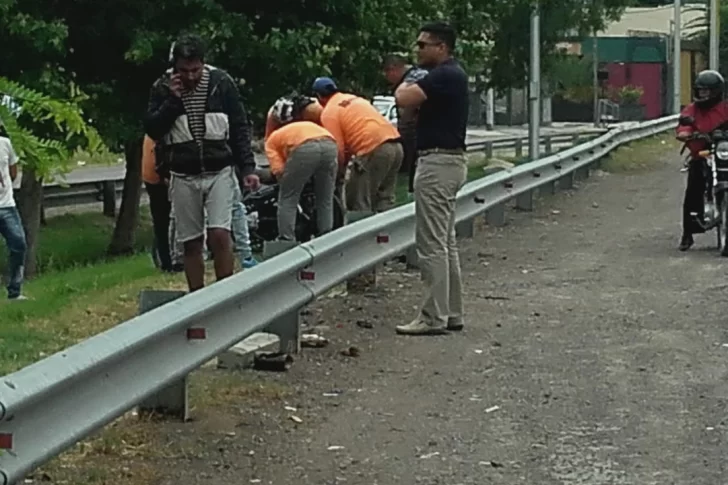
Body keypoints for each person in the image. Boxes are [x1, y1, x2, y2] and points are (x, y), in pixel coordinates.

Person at [144, 33, 259, 292]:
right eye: (184, 71)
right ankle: (197, 296)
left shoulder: (221, 82)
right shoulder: (162, 87)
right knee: (191, 242)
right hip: (183, 172)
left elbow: (239, 125)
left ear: (203, 64)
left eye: (195, 70)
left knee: (220, 233)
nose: (191, 77)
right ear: (175, 68)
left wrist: (247, 167)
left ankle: (224, 293)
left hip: (219, 168)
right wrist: (172, 101)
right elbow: (153, 129)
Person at [393, 21, 469, 335]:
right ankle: (451, 311)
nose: (418, 49)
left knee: (431, 244)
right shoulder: (451, 75)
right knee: (445, 242)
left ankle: (432, 316)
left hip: (437, 162)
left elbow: (403, 98)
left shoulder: (444, 75)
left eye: (424, 45)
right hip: (448, 161)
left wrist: (408, 80)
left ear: (442, 46)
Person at [312, 77, 404, 213]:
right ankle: (386, 233)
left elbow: (338, 150)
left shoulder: (329, 112)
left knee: (358, 200)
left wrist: (338, 174)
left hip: (373, 148)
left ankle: (363, 233)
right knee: (384, 199)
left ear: (318, 96)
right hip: (396, 146)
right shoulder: (354, 99)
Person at [265, 96, 338, 240]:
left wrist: (286, 181)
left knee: (288, 197)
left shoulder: (273, 138)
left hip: (304, 147)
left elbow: (279, 171)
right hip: (330, 142)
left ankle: (286, 238)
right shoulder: (309, 124)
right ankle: (326, 236)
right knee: (325, 197)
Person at [676, 69, 728, 252]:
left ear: (717, 91)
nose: (703, 94)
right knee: (693, 189)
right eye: (700, 91)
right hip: (702, 154)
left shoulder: (725, 107)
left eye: (707, 91)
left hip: (724, 152)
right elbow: (683, 128)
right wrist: (686, 133)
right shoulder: (692, 109)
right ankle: (687, 234)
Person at [382, 54, 428, 195]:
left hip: (422, 135)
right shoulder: (421, 74)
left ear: (393, 70)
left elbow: (407, 114)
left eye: (386, 73)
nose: (387, 78)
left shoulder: (409, 83)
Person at [0, 134, 27, 300]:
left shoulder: (5, 143)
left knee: (19, 243)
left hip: (6, 205)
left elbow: (13, 171)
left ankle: (15, 291)